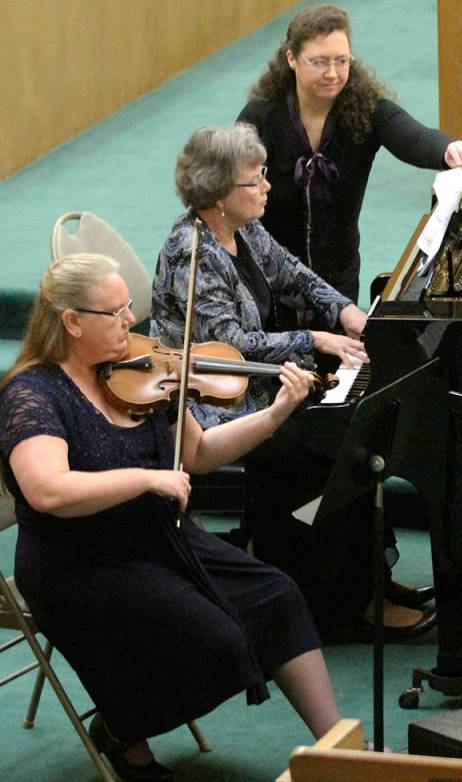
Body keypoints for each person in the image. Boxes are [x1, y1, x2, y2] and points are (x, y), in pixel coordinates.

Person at [0, 254, 343, 781]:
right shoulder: (32, 394)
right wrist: (147, 478)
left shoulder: (141, 369)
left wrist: (274, 414)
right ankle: (123, 730)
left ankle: (338, 748)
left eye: (128, 307)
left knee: (277, 594)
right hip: (79, 561)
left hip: (159, 537)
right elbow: (48, 492)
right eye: (115, 312)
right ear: (71, 322)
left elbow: (200, 452)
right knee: (213, 640)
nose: (130, 321)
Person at [150, 123, 435, 639]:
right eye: (255, 180)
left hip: (263, 385)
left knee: (349, 434)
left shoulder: (242, 228)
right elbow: (231, 347)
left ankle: (370, 579)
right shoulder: (191, 252)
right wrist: (316, 339)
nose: (267, 187)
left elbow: (294, 274)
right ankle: (339, 601)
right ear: (218, 192)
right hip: (214, 403)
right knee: (329, 451)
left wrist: (345, 312)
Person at [237, 3, 462, 303]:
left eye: (341, 60)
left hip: (338, 281)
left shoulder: (365, 110)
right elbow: (230, 181)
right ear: (291, 58)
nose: (332, 73)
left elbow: (412, 135)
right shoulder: (262, 116)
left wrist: (448, 149)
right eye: (319, 62)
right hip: (269, 282)